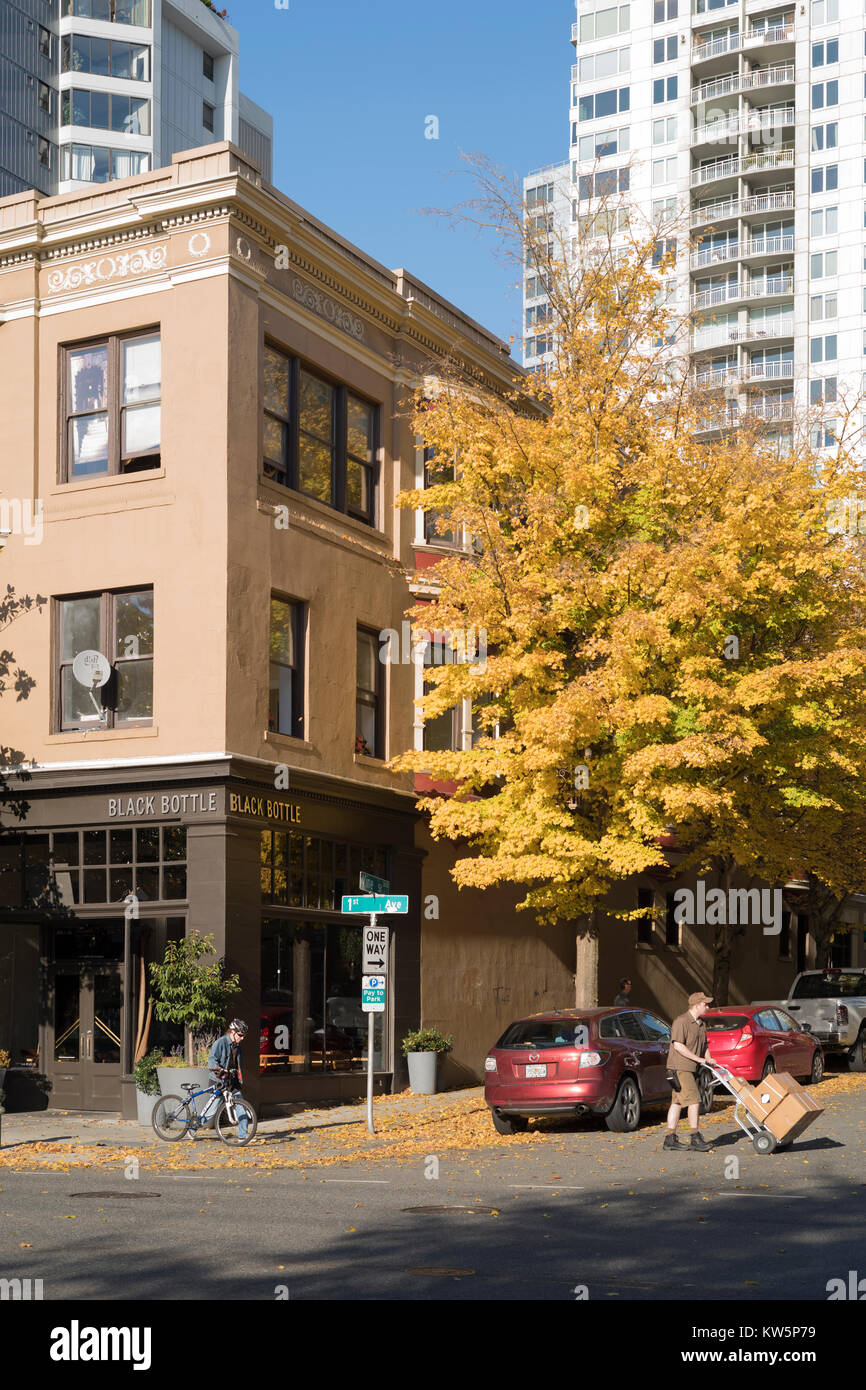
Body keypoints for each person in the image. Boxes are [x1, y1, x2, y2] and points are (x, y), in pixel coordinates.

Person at [663, 992, 714, 1152]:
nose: (708, 1007)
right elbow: (678, 1045)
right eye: (705, 1004)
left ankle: (669, 1138)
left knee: (677, 1102)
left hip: (691, 1068)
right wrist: (699, 1060)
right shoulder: (681, 1021)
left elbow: (704, 1046)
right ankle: (695, 1137)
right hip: (680, 1067)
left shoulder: (701, 1024)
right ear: (697, 1005)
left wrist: (709, 1058)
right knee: (694, 1100)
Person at [205, 1019, 249, 1140]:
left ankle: (243, 1136)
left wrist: (239, 1080)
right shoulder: (221, 1042)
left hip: (231, 1081)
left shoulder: (238, 1047)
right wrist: (219, 1070)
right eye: (240, 1035)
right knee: (211, 1111)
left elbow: (237, 1065)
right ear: (233, 1032)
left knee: (241, 1105)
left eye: (244, 1036)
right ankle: (193, 1127)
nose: (242, 1038)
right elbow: (212, 1060)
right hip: (218, 1080)